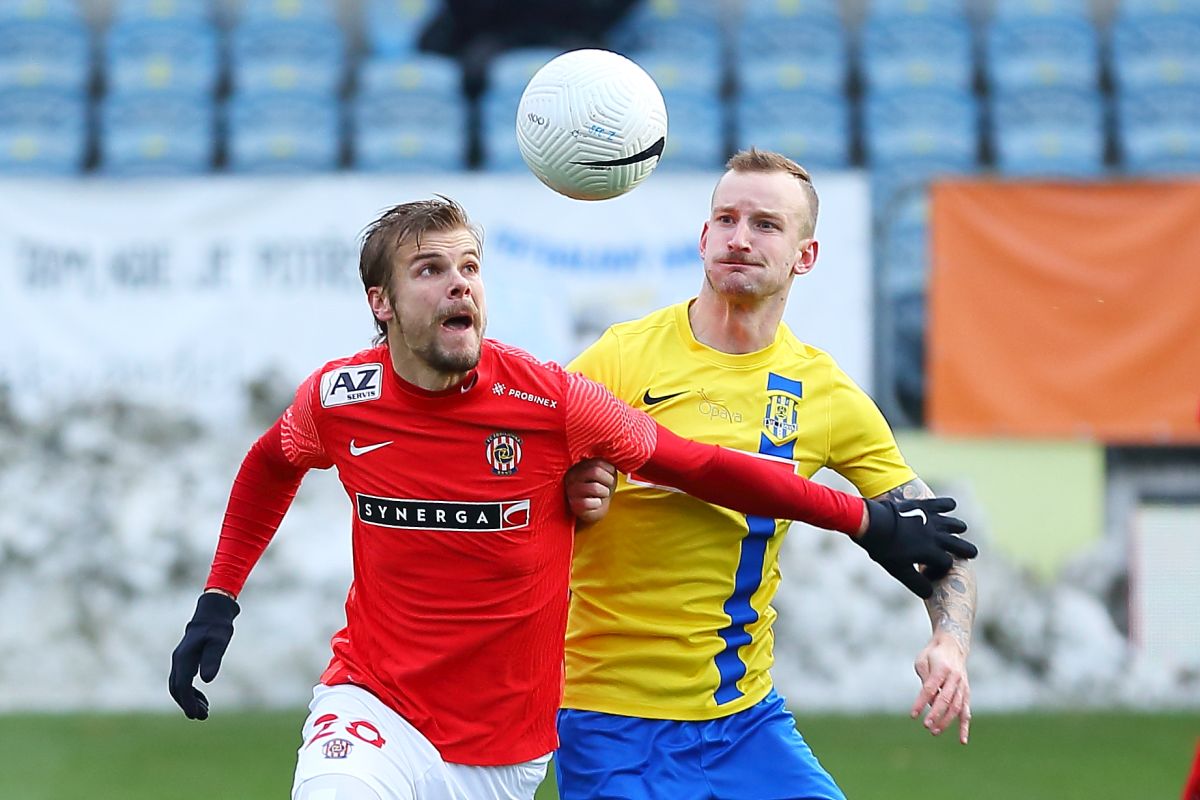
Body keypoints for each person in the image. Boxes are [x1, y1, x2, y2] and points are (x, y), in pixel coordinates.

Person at [167, 197, 976, 800]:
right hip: (373, 705)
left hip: (503, 753)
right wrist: (218, 597)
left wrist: (862, 519)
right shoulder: (340, 399)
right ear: (381, 302)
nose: (459, 286)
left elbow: (701, 467)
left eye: (470, 268)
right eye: (431, 270)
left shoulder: (551, 401)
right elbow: (268, 464)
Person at [555, 149, 981, 800]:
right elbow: (520, 481)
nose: (740, 238)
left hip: (745, 722)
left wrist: (949, 641)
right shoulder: (620, 358)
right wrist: (570, 491)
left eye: (765, 224)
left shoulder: (824, 392)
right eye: (726, 219)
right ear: (703, 237)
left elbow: (935, 537)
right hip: (610, 718)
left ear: (805, 256)